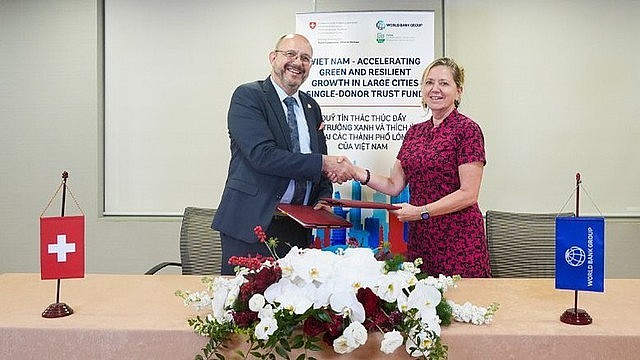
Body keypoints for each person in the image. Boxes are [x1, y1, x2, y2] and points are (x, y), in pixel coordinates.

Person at [212, 34, 351, 275]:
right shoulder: (248, 97)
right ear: (273, 57)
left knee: (293, 308)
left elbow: (319, 162)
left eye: (306, 58)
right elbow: (262, 155)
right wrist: (322, 163)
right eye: (291, 54)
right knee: (245, 306)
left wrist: (324, 197)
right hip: (252, 223)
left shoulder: (311, 107)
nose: (298, 62)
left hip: (298, 227)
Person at [349, 57, 491, 278]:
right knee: (424, 306)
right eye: (429, 82)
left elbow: (468, 194)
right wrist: (356, 172)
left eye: (444, 83)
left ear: (458, 91)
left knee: (463, 307)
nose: (435, 89)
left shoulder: (468, 130)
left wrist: (421, 212)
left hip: (459, 239)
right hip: (422, 238)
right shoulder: (414, 132)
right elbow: (394, 185)